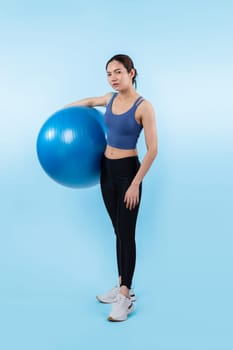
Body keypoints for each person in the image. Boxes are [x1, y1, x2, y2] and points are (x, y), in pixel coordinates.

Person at [66, 54, 158, 322]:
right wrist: (63, 111)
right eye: (109, 73)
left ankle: (124, 297)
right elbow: (87, 102)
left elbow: (153, 150)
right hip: (106, 171)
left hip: (129, 173)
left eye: (118, 72)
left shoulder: (144, 107)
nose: (113, 78)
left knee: (127, 234)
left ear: (132, 72)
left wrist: (135, 184)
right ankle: (121, 285)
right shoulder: (111, 98)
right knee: (118, 229)